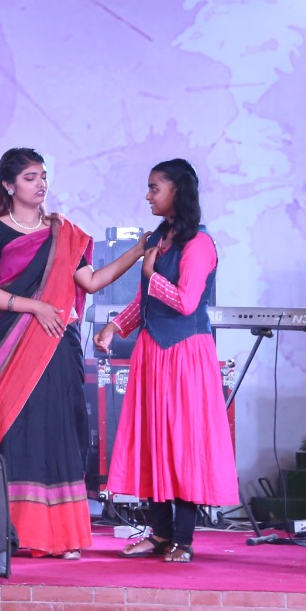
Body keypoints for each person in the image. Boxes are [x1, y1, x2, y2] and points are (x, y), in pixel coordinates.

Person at [0, 147, 147, 559]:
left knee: (62, 430)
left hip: (57, 346)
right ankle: (15, 533)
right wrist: (35, 307)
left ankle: (63, 536)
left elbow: (92, 281)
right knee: (18, 432)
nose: (40, 184)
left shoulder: (63, 232)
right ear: (8, 185)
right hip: (8, 349)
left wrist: (137, 250)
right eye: (30, 177)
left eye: (43, 176)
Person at [94, 159, 235, 563]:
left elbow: (187, 302)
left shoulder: (199, 244)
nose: (148, 195)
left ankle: (183, 540)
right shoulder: (160, 236)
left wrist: (152, 273)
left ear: (177, 191)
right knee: (152, 439)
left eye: (155, 188)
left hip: (186, 354)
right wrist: (114, 327)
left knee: (183, 442)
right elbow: (146, 299)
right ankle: (159, 533)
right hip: (153, 352)